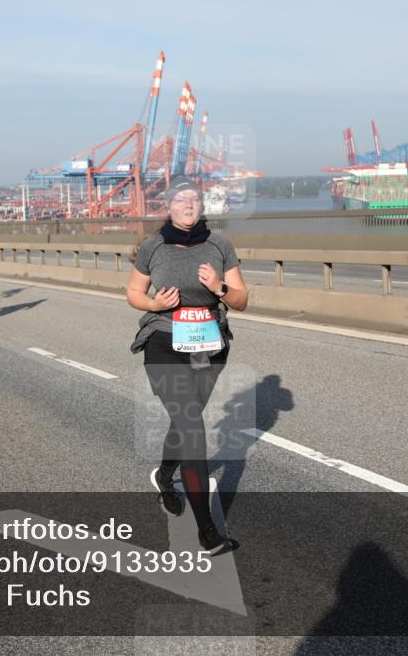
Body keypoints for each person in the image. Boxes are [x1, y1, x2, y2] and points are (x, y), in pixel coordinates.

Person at [126, 176, 249, 555]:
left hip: (210, 346)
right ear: (169, 206)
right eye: (181, 199)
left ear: (201, 205)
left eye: (194, 199)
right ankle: (207, 532)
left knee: (186, 420)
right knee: (192, 426)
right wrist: (155, 306)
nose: (189, 205)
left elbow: (242, 300)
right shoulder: (153, 246)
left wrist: (218, 288)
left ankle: (165, 476)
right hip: (164, 342)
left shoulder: (219, 245)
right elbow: (133, 292)